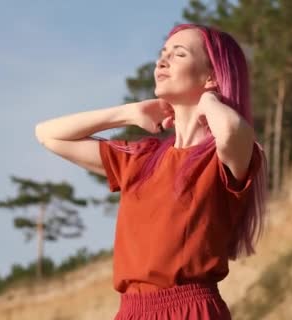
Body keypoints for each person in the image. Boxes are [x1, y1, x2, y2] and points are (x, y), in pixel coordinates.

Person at [35, 23, 268, 319]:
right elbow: (48, 134)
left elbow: (233, 128)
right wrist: (128, 113)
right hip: (131, 312)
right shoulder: (141, 157)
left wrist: (209, 100)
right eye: (163, 53)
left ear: (211, 75)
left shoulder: (223, 156)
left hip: (191, 310)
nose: (162, 60)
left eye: (179, 54)